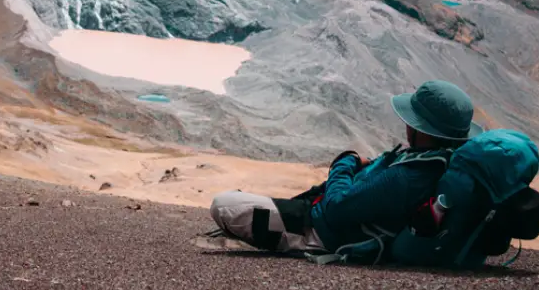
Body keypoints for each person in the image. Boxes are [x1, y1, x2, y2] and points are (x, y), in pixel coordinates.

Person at [207, 80, 483, 255]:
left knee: (224, 204)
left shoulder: (409, 177)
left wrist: (345, 161)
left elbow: (337, 207)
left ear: (420, 128)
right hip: (320, 216)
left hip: (316, 230)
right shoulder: (433, 161)